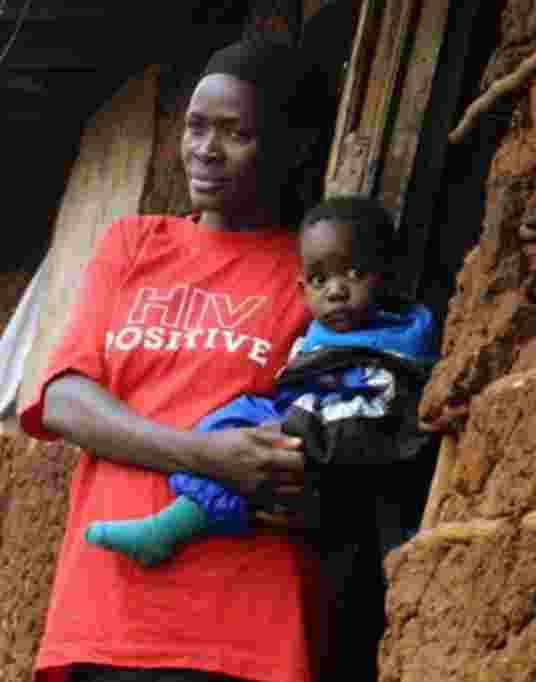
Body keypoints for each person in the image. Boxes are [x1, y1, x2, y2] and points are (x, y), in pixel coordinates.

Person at [19, 37, 326, 682]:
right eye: (195, 126)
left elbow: (319, 427)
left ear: (292, 147)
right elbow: (64, 398)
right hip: (102, 608)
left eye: (235, 132)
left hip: (236, 615)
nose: (205, 150)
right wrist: (207, 455)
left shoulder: (312, 272)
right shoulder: (134, 244)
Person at [83, 195, 438, 567]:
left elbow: (374, 418)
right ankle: (185, 513)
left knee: (254, 451)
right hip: (307, 425)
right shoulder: (325, 332)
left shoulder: (397, 344)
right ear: (302, 290)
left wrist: (290, 431)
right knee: (232, 420)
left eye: (354, 273)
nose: (335, 291)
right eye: (320, 279)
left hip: (336, 449)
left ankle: (171, 527)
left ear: (388, 274)